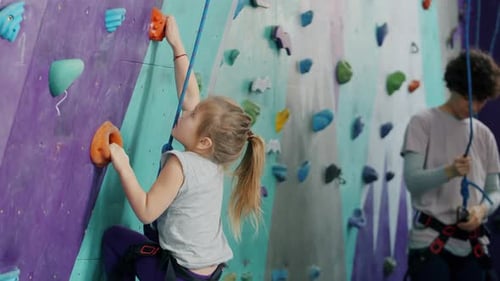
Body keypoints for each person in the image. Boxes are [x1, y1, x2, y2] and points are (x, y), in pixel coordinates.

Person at [101, 15, 266, 281]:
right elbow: (190, 99)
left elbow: (146, 209)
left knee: (115, 240)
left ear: (204, 142)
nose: (185, 113)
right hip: (207, 273)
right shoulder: (211, 161)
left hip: (179, 276)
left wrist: (122, 164)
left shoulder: (181, 164)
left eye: (193, 116)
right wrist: (177, 46)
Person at [402, 49, 500, 281]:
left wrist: (482, 210)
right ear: (454, 88)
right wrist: (449, 171)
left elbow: (495, 190)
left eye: (482, 100)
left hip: (473, 246)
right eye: (470, 98)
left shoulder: (484, 135)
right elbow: (412, 181)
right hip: (430, 244)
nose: (475, 107)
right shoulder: (422, 122)